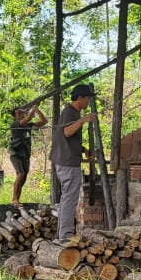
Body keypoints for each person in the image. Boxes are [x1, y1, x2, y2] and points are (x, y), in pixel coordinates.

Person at [51, 84, 95, 242]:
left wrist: (83, 150)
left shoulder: (72, 113)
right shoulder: (70, 112)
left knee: (67, 198)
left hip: (68, 161)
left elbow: (68, 139)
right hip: (68, 163)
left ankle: (63, 234)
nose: (89, 101)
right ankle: (66, 236)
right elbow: (67, 132)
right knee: (69, 199)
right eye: (87, 98)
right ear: (80, 98)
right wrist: (84, 120)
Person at [8, 105, 47, 207]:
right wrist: (34, 107)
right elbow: (29, 117)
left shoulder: (28, 125)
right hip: (15, 153)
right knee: (20, 173)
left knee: (23, 178)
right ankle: (14, 199)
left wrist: (37, 110)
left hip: (25, 154)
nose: (21, 114)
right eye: (19, 113)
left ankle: (17, 199)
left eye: (22, 112)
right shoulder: (15, 124)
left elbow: (44, 121)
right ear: (15, 116)